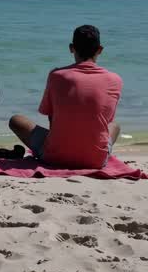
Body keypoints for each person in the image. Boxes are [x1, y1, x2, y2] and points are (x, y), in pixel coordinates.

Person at [9, 24, 122, 169]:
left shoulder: (57, 76)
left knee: (16, 120)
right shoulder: (115, 80)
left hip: (55, 157)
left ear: (71, 48)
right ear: (99, 50)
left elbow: (51, 119)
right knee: (115, 126)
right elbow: (105, 121)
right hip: (95, 161)